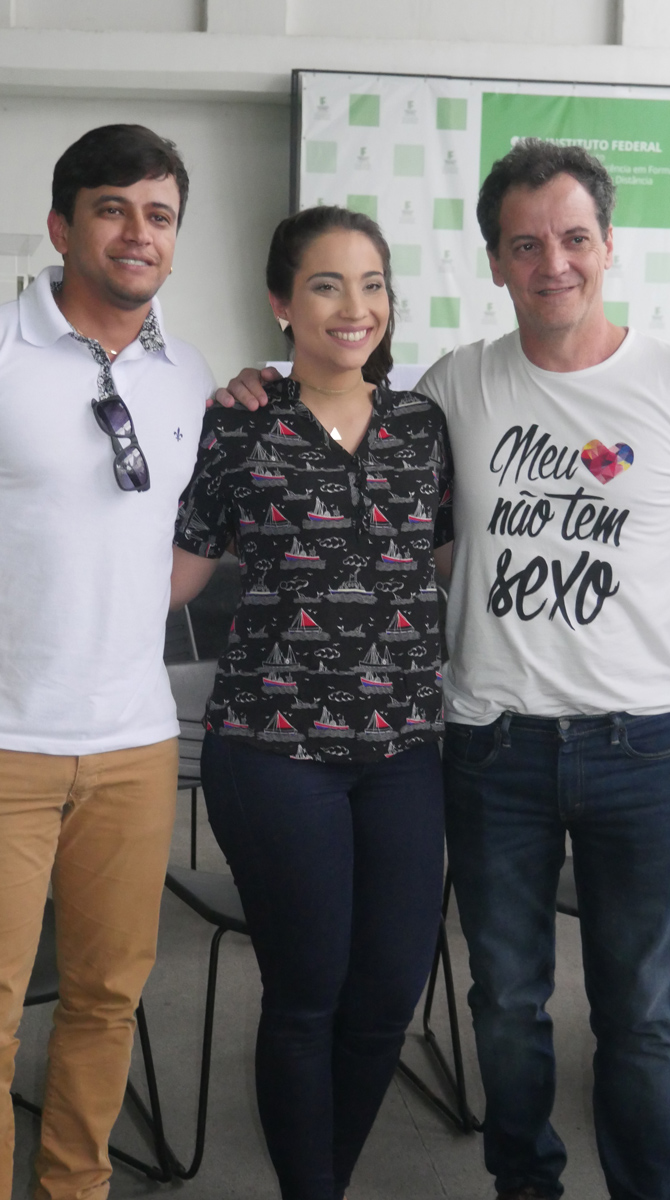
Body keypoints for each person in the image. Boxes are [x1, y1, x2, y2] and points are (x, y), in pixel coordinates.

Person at [221, 140, 670, 1200]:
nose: (552, 262)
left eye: (573, 238)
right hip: (489, 743)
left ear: (609, 244)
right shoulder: (453, 389)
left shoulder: (665, 380)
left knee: (645, 1016)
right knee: (505, 1003)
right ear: (495, 262)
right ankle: (524, 1185)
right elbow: (349, 424)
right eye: (525, 245)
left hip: (644, 748)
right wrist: (260, 380)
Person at [171, 204, 454, 1200]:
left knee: (387, 995)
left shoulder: (422, 426)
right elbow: (174, 576)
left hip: (405, 750)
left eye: (371, 284)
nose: (354, 306)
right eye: (326, 284)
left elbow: (452, 566)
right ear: (281, 302)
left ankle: (324, 1176)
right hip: (271, 747)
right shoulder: (237, 421)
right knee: (308, 994)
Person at [0, 123, 214, 1200]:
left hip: (135, 742)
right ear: (61, 226)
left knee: (106, 998)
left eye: (159, 214)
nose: (139, 233)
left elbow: (168, 548)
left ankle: (73, 1185)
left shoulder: (188, 375)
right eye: (113, 209)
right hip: (7, 743)